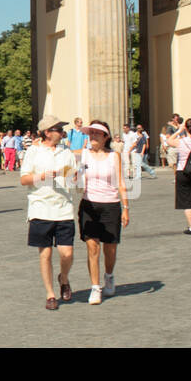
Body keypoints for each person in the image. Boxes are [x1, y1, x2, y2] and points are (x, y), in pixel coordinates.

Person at [21, 116, 78, 310]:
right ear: (47, 132)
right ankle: (50, 294)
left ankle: (64, 277)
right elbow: (24, 179)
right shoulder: (33, 152)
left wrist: (73, 177)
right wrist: (42, 176)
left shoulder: (66, 153)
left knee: (67, 253)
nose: (62, 132)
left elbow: (73, 180)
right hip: (40, 207)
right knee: (45, 254)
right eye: (58, 129)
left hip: (64, 208)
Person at [79, 121, 128, 304]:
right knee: (92, 247)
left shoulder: (114, 156)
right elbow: (71, 169)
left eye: (97, 133)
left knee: (110, 248)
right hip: (89, 205)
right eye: (91, 133)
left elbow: (121, 183)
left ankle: (109, 275)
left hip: (111, 205)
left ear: (106, 136)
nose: (93, 136)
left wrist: (126, 209)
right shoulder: (84, 155)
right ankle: (95, 287)